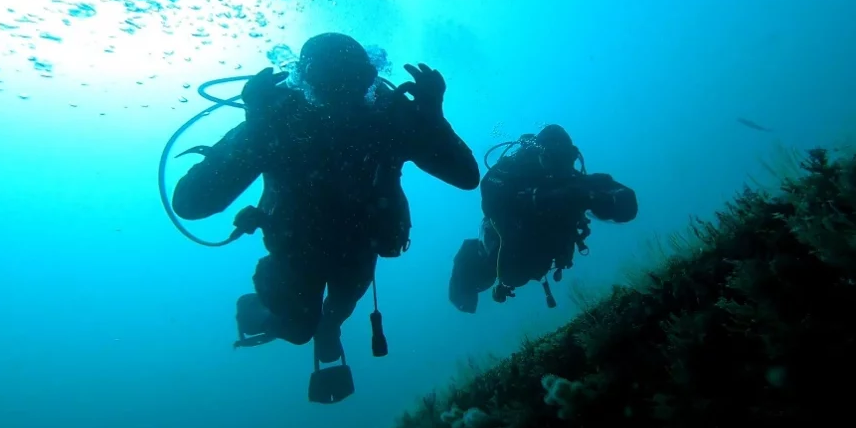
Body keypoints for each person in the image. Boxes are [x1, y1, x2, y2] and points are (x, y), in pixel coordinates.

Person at [172, 33, 480, 403]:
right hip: (296, 251)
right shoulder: (277, 119)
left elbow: (466, 177)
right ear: (304, 78)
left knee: (337, 312)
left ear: (369, 77)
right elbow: (191, 203)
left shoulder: (389, 116)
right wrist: (255, 127)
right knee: (299, 328)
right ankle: (269, 311)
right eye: (328, 79)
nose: (341, 93)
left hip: (361, 246)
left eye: (351, 80)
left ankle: (326, 325)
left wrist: (434, 118)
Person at [448, 124, 637, 313]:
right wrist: (539, 198)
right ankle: (464, 287)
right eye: (554, 158)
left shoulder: (575, 183)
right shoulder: (516, 171)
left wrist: (598, 198)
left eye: (566, 159)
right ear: (541, 154)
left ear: (572, 156)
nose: (559, 167)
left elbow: (627, 204)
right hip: (506, 247)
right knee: (486, 276)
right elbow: (489, 194)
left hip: (540, 255)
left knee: (517, 273)